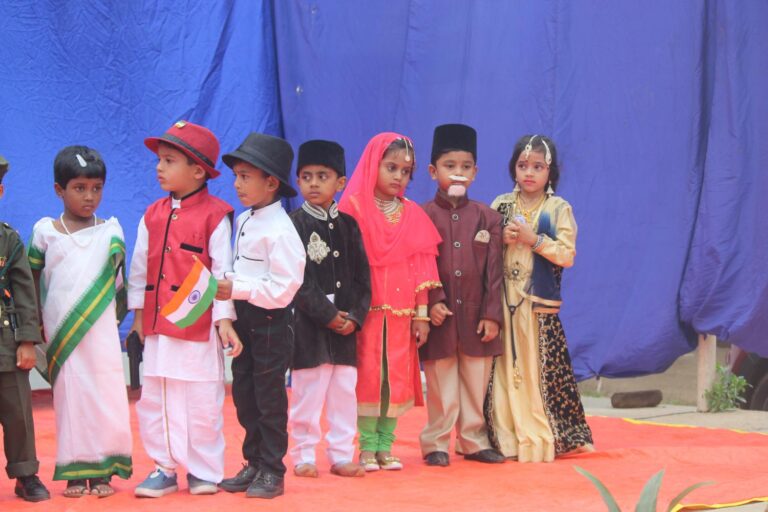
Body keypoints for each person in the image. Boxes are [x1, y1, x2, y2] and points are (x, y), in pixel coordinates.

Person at [127, 120, 241, 497]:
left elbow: (223, 272)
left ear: (198, 170)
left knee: (202, 401)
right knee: (155, 398)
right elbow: (139, 268)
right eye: (159, 160)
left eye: (169, 160)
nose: (159, 167)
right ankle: (163, 467)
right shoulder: (152, 214)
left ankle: (204, 471)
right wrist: (138, 317)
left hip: (198, 327)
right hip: (159, 328)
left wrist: (224, 321)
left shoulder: (216, 215)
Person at [28, 146, 132, 498]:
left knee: (106, 395)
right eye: (79, 188)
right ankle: (75, 471)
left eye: (97, 187)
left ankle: (104, 469)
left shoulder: (111, 231)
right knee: (71, 398)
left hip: (100, 332)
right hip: (62, 332)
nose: (90, 197)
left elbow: (119, 286)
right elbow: (31, 281)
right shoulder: (46, 233)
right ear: (59, 190)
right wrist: (34, 326)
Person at [485, 134, 594, 463]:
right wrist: (498, 239)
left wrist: (535, 240)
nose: (529, 173)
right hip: (504, 302)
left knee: (537, 371)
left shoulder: (558, 208)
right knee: (502, 368)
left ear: (550, 172)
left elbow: (567, 254)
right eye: (522, 165)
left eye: (537, 166)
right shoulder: (500, 204)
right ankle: (505, 436)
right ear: (513, 169)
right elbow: (482, 246)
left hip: (536, 308)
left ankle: (543, 435)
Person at [338, 132, 441, 472]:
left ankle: (386, 445)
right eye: (391, 167)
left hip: (401, 316)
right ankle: (367, 448)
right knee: (368, 377)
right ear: (372, 165)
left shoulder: (412, 214)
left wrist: (422, 315)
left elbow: (422, 265)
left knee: (394, 379)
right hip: (364, 314)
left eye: (406, 171)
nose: (399, 176)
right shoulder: (352, 209)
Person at [216, 133, 305, 499]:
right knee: (245, 394)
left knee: (269, 399)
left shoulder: (282, 231)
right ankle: (253, 461)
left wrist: (237, 289)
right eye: (236, 176)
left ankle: (273, 470)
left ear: (271, 183)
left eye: (245, 176)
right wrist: (230, 309)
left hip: (271, 323)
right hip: (245, 321)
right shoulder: (244, 220)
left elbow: (285, 288)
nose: (237, 184)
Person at [419, 124, 505, 467]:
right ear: (432, 171)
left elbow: (495, 272)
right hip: (440, 314)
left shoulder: (488, 217)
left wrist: (491, 314)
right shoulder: (422, 215)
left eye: (465, 167)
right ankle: (436, 442)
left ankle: (473, 440)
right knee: (441, 382)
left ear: (475, 172)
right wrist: (432, 300)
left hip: (477, 315)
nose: (458, 172)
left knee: (475, 380)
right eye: (449, 165)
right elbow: (422, 262)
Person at [288, 140, 371, 479]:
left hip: (346, 327)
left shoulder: (350, 225)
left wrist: (355, 316)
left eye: (322, 176)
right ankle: (303, 454)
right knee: (308, 393)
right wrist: (327, 315)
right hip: (309, 324)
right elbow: (298, 280)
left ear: (340, 183)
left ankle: (341, 454)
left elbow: (363, 278)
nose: (313, 184)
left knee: (343, 394)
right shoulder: (294, 225)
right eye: (306, 176)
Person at [0, 154, 51, 502]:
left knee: (18, 413)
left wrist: (28, 341)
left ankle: (26, 473)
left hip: (5, 342)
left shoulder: (9, 241)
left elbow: (24, 292)